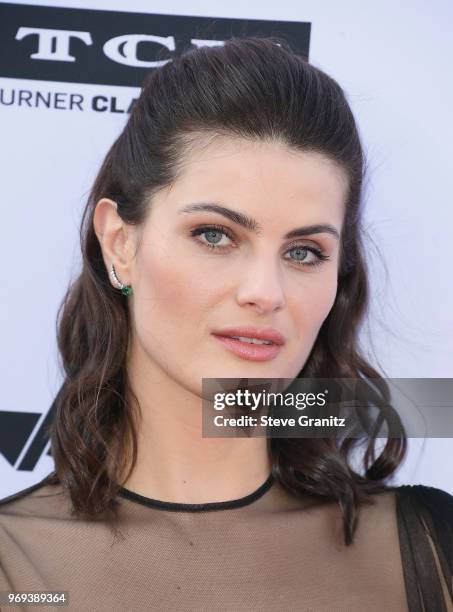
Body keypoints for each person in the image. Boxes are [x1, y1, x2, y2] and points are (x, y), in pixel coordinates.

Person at [1, 36, 452, 612]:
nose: (265, 293)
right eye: (215, 235)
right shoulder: (17, 567)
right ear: (119, 243)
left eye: (305, 252)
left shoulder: (423, 547)